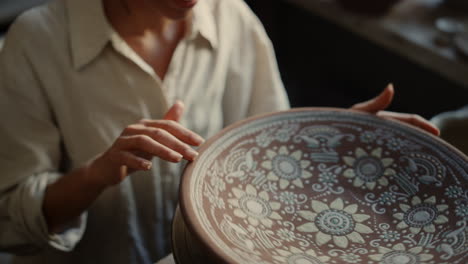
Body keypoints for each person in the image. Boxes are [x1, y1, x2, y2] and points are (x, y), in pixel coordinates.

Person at [0, 0, 439, 263]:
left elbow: (274, 162)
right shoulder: (36, 41)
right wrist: (97, 173)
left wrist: (336, 133)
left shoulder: (232, 18)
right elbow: (11, 220)